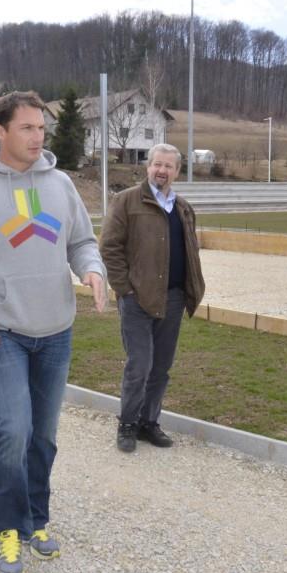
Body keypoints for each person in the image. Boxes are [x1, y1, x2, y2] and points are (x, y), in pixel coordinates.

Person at [0, 91, 106, 573]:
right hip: (2, 333)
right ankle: (8, 530)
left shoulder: (60, 184)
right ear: (1, 131)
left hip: (55, 331)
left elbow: (81, 241)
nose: (38, 137)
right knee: (14, 432)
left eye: (41, 128)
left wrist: (92, 269)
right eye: (27, 128)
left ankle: (36, 518)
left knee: (44, 436)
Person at [99, 143, 205, 453]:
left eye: (168, 166)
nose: (162, 170)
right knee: (140, 366)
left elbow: (190, 250)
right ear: (148, 167)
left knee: (161, 368)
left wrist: (190, 288)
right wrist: (125, 289)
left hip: (172, 299)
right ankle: (127, 423)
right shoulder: (126, 201)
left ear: (177, 171)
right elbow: (109, 248)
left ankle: (148, 422)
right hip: (137, 300)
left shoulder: (183, 208)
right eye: (157, 164)